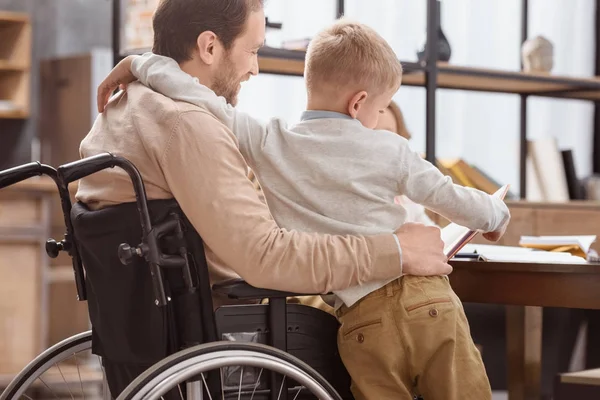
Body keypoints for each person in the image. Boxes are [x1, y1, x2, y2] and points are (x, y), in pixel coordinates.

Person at [99, 18, 510, 400]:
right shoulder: (391, 148)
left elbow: (199, 96)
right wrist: (494, 214)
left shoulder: (268, 142)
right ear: (359, 103)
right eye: (383, 107)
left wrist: (141, 63)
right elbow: (448, 195)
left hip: (360, 319)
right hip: (425, 301)